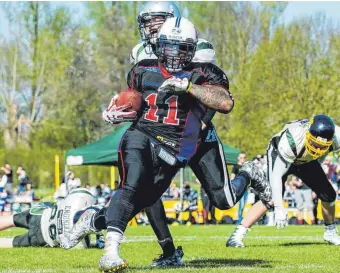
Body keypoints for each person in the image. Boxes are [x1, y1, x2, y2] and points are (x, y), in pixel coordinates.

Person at [90, 16, 269, 272]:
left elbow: (225, 102)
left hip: (198, 139)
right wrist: (118, 112)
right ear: (158, 44)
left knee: (224, 201)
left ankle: (248, 173)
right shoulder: (142, 67)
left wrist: (189, 87)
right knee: (138, 188)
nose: (173, 54)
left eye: (180, 48)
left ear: (193, 48)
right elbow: (137, 103)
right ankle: (120, 246)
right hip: (154, 138)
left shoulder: (204, 68)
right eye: (168, 46)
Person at [227, 115, 340, 248]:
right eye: (315, 143)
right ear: (308, 134)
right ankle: (237, 235)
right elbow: (276, 176)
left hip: (306, 160)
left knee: (328, 194)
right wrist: (279, 207)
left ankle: (330, 232)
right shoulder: (291, 141)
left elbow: (319, 156)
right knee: (270, 197)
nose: (317, 148)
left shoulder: (337, 138)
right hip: (280, 155)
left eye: (322, 146)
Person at [0, 188, 100, 248]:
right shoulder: (82, 229)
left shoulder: (79, 199)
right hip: (44, 237)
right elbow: (79, 245)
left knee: (11, 219)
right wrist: (95, 243)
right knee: (12, 242)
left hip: (41, 215)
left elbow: (71, 196)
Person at [232, 152, 248, 225]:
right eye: (241, 158)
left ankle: (241, 219)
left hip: (245, 189)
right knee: (240, 205)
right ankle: (239, 220)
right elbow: (232, 177)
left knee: (244, 205)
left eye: (244, 157)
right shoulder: (236, 167)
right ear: (238, 158)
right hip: (239, 189)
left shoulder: (246, 167)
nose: (242, 159)